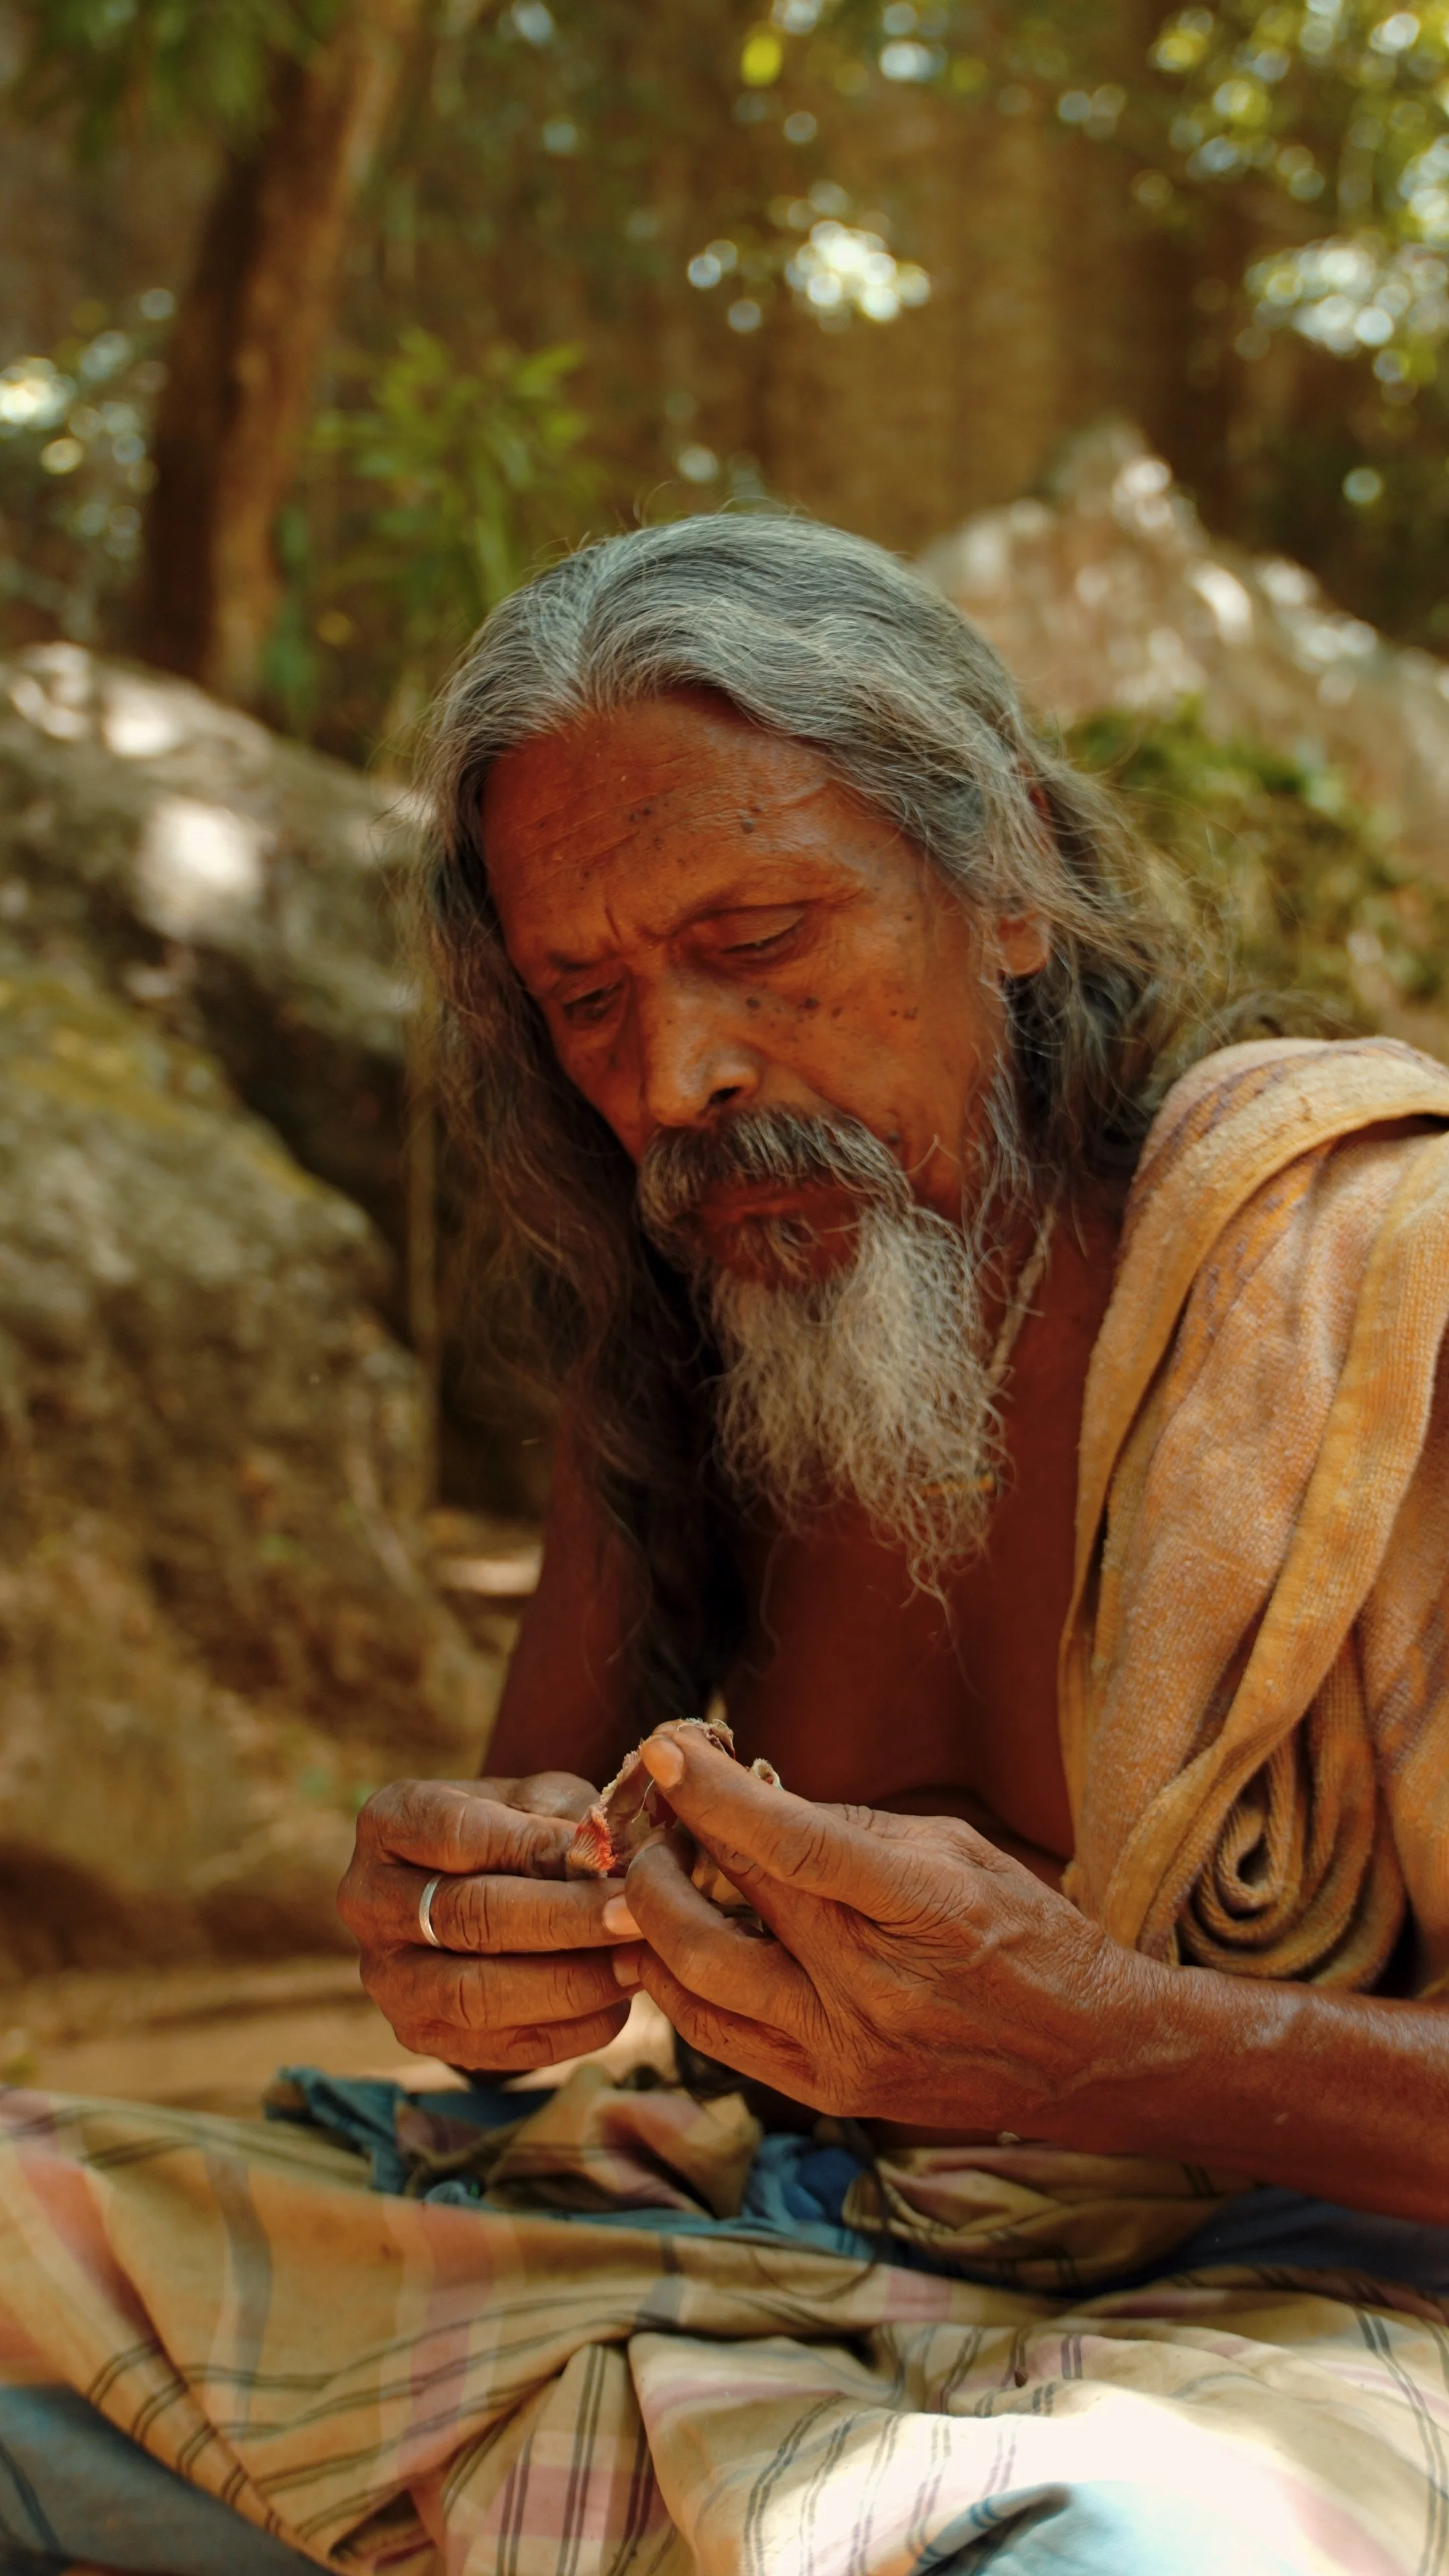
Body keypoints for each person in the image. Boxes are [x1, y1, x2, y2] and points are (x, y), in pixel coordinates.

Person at [5, 513, 1449, 2576]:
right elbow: (524, 1852)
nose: (677, 1079)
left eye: (761, 946)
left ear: (1013, 877)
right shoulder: (699, 1316)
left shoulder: (1379, 1284)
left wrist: (1110, 2050)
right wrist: (458, 1930)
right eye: (585, 1000)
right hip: (768, 2268)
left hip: (1316, 2322)